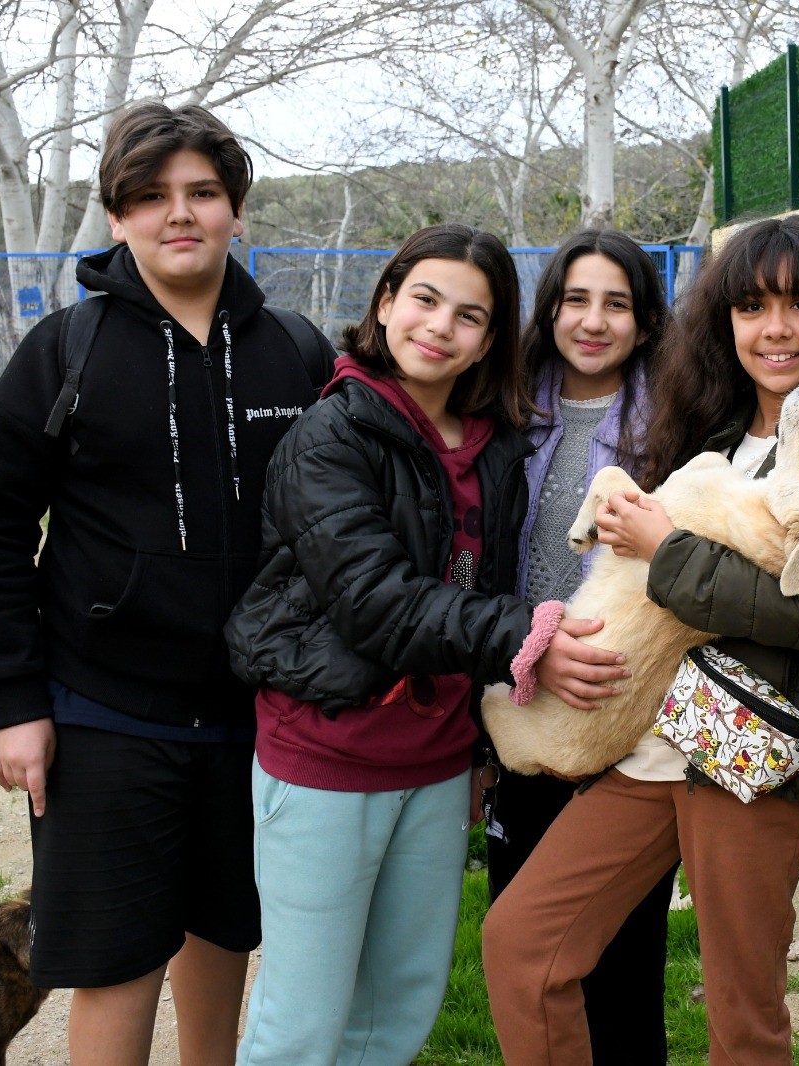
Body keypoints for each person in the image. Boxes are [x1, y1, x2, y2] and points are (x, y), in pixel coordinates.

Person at [483, 213, 799, 1065]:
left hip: (751, 751)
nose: (777, 328)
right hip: (653, 746)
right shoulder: (715, 429)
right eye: (753, 306)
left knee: (741, 1022)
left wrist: (665, 552)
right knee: (523, 946)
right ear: (725, 318)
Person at [0, 102, 335, 1066]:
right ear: (117, 218)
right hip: (104, 714)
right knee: (119, 963)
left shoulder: (296, 350)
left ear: (236, 212)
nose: (180, 214)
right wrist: (17, 698)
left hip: (259, 719)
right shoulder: (65, 353)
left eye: (203, 193)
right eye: (151, 196)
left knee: (224, 940)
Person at [222, 223, 627, 1066]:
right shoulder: (329, 437)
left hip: (439, 764)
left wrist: (482, 739)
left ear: (490, 339)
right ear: (385, 303)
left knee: (395, 1012)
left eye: (470, 315)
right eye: (425, 300)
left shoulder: (497, 445)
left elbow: (496, 576)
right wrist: (528, 637)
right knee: (303, 1022)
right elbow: (375, 604)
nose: (441, 326)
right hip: (327, 755)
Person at [485, 230, 678, 1064]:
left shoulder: (677, 418)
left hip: (624, 719)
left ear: (644, 320)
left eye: (617, 303)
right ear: (549, 308)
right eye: (576, 300)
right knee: (524, 952)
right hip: (520, 712)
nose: (593, 321)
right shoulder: (503, 410)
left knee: (624, 964)